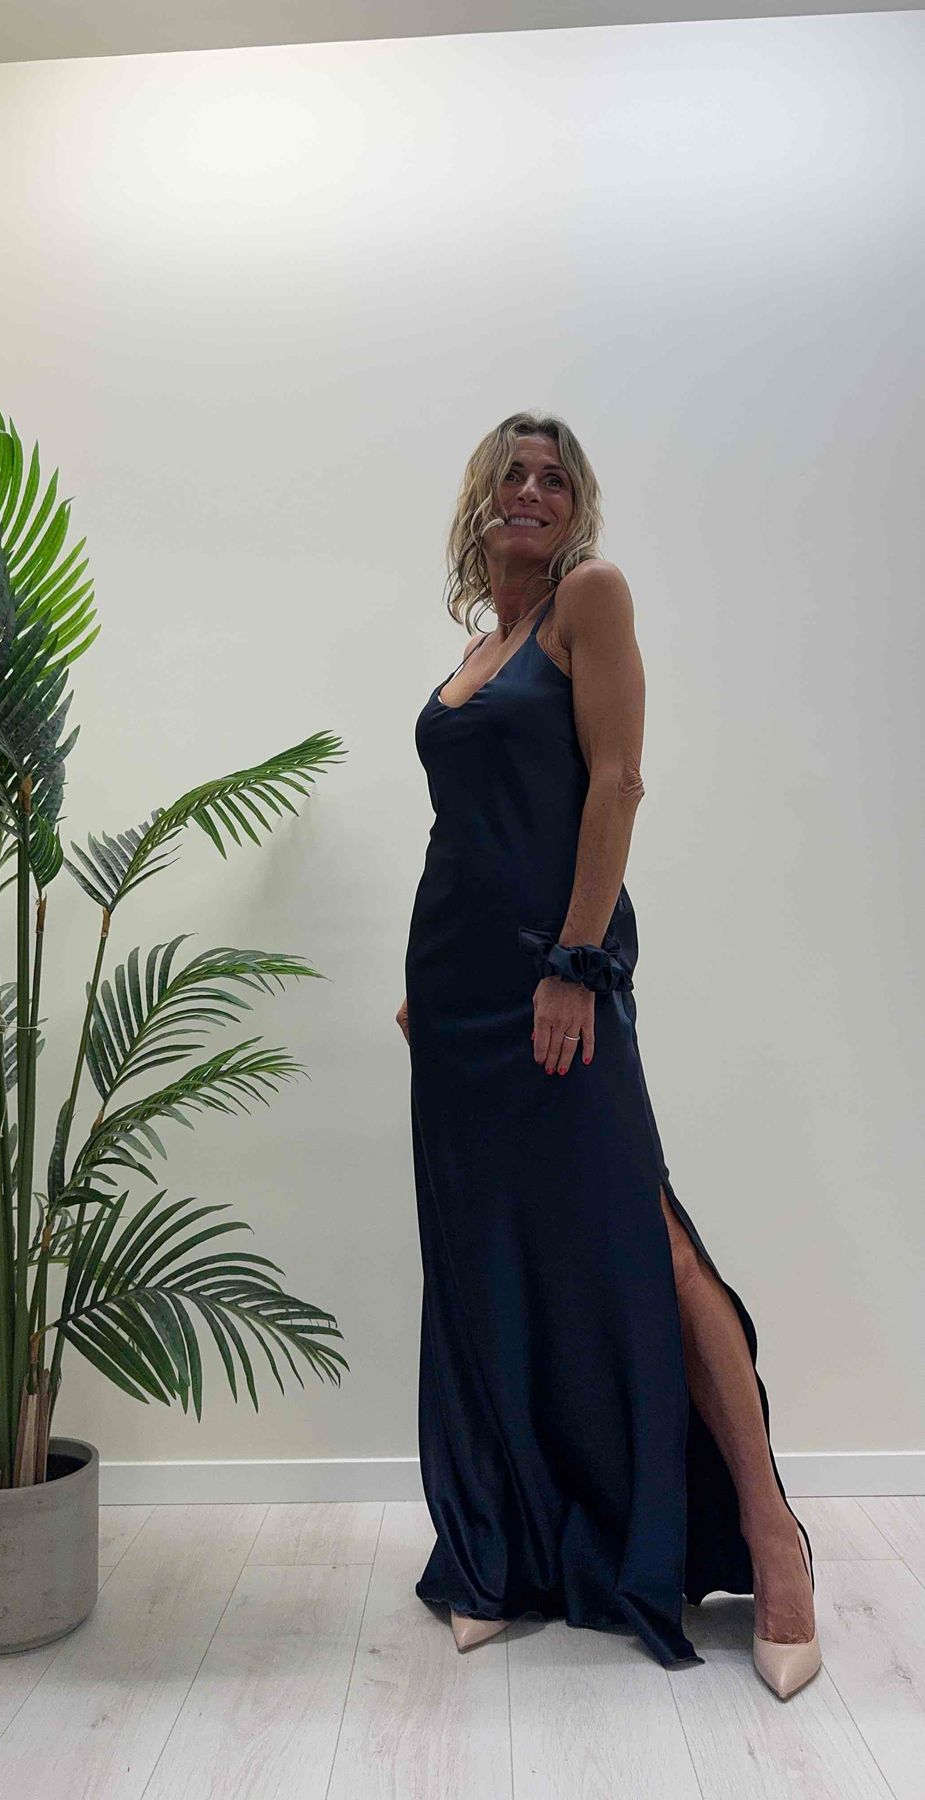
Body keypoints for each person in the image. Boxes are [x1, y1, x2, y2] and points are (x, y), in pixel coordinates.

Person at [396, 412, 821, 1699]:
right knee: (486, 1261)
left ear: (573, 505)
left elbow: (617, 781)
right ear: (479, 500)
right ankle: (500, 1548)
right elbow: (462, 828)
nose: (529, 490)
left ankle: (770, 1539)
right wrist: (423, 985)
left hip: (556, 977)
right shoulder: (476, 651)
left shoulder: (590, 598)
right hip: (458, 997)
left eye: (552, 477)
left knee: (646, 1234)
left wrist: (573, 965)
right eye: (510, 474)